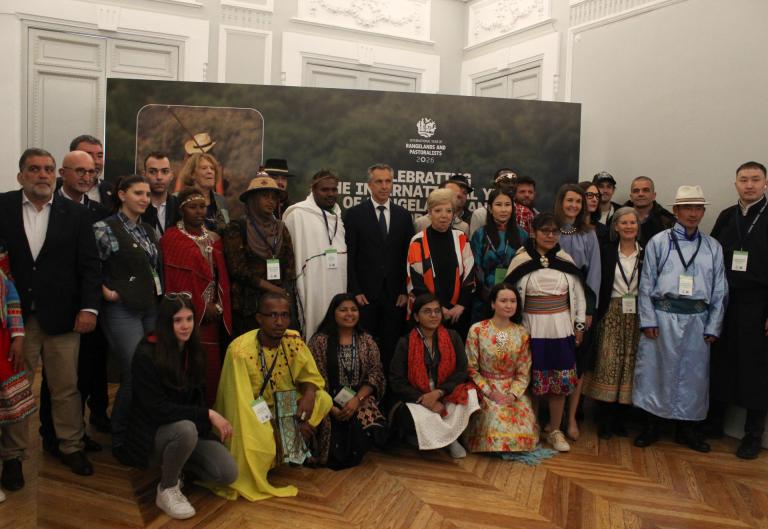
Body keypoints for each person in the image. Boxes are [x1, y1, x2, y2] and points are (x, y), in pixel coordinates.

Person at [0, 148, 101, 481]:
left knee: (65, 387)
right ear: (21, 176)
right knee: (17, 388)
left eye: (47, 169)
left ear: (55, 174)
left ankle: (71, 446)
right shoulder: (2, 207)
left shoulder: (76, 215)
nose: (42, 175)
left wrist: (89, 308)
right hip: (16, 322)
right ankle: (12, 457)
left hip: (64, 317)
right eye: (33, 169)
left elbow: (89, 266)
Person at [118, 295, 237, 520]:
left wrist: (206, 426)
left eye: (189, 319)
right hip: (152, 434)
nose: (185, 326)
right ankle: (167, 488)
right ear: (166, 323)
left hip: (187, 427)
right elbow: (156, 409)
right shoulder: (146, 353)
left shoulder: (195, 351)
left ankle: (177, 464)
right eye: (177, 320)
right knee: (185, 430)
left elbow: (197, 398)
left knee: (227, 473)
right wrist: (208, 415)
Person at [211, 292, 332, 501]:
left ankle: (291, 444)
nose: (280, 322)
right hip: (250, 410)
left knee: (323, 399)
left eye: (285, 315)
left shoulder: (293, 340)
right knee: (262, 438)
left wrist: (310, 394)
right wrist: (275, 428)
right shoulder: (239, 351)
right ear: (259, 318)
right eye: (272, 315)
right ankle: (283, 447)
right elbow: (241, 403)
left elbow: (310, 376)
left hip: (283, 402)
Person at [633, 185, 727, 453]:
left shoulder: (712, 247)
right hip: (663, 317)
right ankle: (651, 424)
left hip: (697, 319)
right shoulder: (659, 242)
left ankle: (687, 429)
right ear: (676, 211)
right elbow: (646, 282)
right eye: (688, 207)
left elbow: (720, 289)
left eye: (698, 208)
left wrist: (714, 325)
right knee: (656, 372)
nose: (693, 213)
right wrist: (648, 319)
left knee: (693, 377)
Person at [40, 151, 111, 457]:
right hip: (38, 309)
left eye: (92, 172)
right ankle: (48, 437)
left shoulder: (97, 211)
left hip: (81, 309)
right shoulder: (40, 207)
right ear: (63, 174)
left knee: (75, 377)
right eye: (79, 171)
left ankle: (74, 437)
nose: (86, 177)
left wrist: (91, 306)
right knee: (47, 381)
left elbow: (93, 264)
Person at [505, 213, 587, 452]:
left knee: (558, 381)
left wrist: (579, 327)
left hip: (561, 329)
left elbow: (580, 297)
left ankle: (554, 429)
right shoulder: (520, 260)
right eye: (545, 231)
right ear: (534, 232)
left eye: (555, 232)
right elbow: (507, 295)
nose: (550, 236)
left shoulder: (565, 259)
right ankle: (530, 426)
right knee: (530, 379)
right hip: (530, 328)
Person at [94, 174, 162, 452]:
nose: (145, 198)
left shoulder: (147, 229)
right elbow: (89, 266)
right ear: (121, 195)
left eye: (147, 194)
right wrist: (106, 292)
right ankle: (119, 434)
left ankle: (140, 428)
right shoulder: (104, 228)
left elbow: (154, 267)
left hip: (150, 307)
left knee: (151, 371)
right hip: (123, 311)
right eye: (138, 193)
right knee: (134, 372)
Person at [707, 161, 768, 459]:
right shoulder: (727, 216)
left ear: (765, 184)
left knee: (755, 369)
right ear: (735, 184)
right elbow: (712, 258)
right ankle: (714, 423)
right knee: (721, 360)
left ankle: (752, 435)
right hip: (725, 300)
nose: (749, 185)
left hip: (758, 303)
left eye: (755, 179)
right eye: (743, 179)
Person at [160, 188, 232, 406]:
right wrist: (201, 307)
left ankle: (209, 415)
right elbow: (174, 281)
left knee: (209, 368)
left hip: (213, 315)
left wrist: (218, 307)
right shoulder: (172, 239)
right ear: (181, 210)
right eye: (193, 207)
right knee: (186, 365)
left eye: (202, 206)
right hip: (186, 314)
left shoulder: (214, 238)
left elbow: (222, 278)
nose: (199, 211)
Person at [389, 293, 478, 459]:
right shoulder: (405, 342)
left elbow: (461, 371)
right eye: (427, 311)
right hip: (418, 398)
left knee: (470, 396)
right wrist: (426, 400)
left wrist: (439, 393)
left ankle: (444, 438)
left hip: (445, 393)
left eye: (437, 311)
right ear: (416, 316)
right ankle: (446, 439)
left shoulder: (453, 336)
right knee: (410, 414)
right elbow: (396, 381)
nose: (433, 315)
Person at [345, 163, 414, 370]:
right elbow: (350, 256)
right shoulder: (355, 214)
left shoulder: (403, 215)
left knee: (391, 346)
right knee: (364, 344)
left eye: (388, 181)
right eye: (379, 181)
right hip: (365, 294)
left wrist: (404, 289)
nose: (384, 186)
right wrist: (355, 290)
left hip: (395, 296)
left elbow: (408, 257)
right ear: (369, 185)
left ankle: (388, 395)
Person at [307, 294, 387, 469]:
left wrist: (356, 400)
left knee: (374, 428)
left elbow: (375, 374)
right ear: (333, 313)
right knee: (332, 447)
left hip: (358, 399)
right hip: (325, 399)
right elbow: (310, 378)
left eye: (353, 310)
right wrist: (331, 407)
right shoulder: (319, 341)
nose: (349, 314)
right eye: (343, 310)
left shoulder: (366, 340)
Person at [583, 207, 643, 438]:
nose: (629, 227)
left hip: (636, 313)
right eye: (624, 223)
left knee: (629, 363)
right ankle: (604, 418)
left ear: (638, 227)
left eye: (633, 223)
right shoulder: (606, 252)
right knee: (608, 362)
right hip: (611, 311)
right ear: (615, 227)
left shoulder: (646, 253)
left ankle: (620, 418)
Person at [465, 284, 538, 454]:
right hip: (484, 389)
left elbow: (523, 371)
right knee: (494, 420)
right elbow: (471, 368)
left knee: (521, 425)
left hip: (512, 389)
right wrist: (490, 393)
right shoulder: (477, 330)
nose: (508, 305)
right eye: (503, 300)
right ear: (492, 304)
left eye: (513, 301)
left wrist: (512, 394)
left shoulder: (522, 333)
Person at [554, 183, 601, 441]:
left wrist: (589, 311)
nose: (573, 206)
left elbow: (594, 274)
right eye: (569, 200)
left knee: (577, 363)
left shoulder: (588, 233)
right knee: (552, 360)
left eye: (578, 202)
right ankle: (549, 418)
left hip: (581, 303)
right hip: (552, 303)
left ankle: (570, 418)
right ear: (560, 202)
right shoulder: (550, 230)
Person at [222, 175, 296, 336]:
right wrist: (271, 289)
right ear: (251, 200)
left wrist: (282, 292)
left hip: (278, 307)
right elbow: (238, 269)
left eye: (274, 197)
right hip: (248, 307)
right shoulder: (236, 228)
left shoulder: (281, 228)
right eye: (264, 196)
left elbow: (290, 265)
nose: (270, 201)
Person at [284, 169, 347, 338]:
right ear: (313, 190)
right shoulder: (297, 214)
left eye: (334, 189)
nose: (330, 194)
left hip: (336, 285)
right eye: (324, 190)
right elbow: (290, 257)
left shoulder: (338, 217)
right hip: (311, 284)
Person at [407, 188, 475, 339]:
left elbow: (470, 275)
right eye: (438, 210)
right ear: (429, 213)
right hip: (428, 313)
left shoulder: (461, 238)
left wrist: (460, 306)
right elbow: (415, 281)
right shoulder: (418, 240)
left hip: (458, 314)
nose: (444, 215)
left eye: (449, 211)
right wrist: (438, 309)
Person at [0, 248, 35, 499]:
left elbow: (11, 297)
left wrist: (18, 336)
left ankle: (13, 459)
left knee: (13, 404)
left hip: (3, 343)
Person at [469, 188, 528, 322]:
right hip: (485, 298)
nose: (503, 210)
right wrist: (488, 294)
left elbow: (524, 267)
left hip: (513, 298)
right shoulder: (480, 235)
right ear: (490, 208)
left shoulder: (522, 235)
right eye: (498, 205)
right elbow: (475, 267)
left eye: (507, 205)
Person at [469, 169, 535, 237]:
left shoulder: (525, 213)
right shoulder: (480, 214)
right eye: (506, 181)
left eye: (514, 182)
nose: (511, 185)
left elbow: (528, 243)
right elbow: (474, 244)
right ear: (495, 185)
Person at [178, 153, 229, 233]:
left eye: (212, 168)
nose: (210, 172)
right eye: (204, 168)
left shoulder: (221, 200)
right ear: (192, 174)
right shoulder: (179, 199)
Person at [624, 176, 675, 246]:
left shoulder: (667, 220)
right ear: (631, 197)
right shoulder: (618, 217)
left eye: (645, 190)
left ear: (654, 196)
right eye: (636, 191)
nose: (640, 194)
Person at [142, 151, 179, 237]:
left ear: (171, 175)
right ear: (144, 175)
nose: (159, 177)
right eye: (152, 172)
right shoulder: (137, 206)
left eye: (165, 171)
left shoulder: (179, 206)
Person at [70, 134, 110, 205]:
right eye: (88, 155)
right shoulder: (55, 189)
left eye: (100, 156)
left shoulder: (112, 191)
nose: (96, 161)